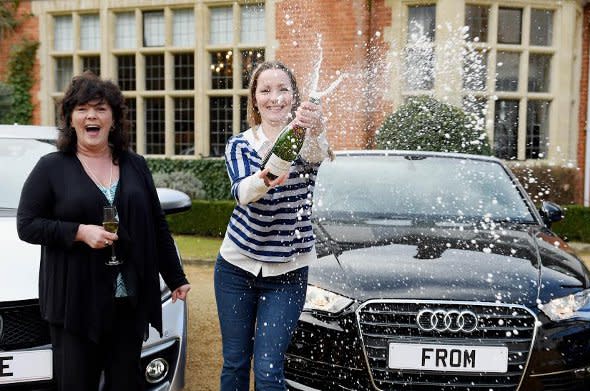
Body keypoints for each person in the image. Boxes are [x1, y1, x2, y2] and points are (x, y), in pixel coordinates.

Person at [16, 71, 191, 391]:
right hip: (76, 304)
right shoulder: (51, 168)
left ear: (113, 118)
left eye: (100, 108)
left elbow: (156, 224)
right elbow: (27, 225)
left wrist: (176, 277)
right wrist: (78, 232)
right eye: (82, 109)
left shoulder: (135, 164)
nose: (91, 116)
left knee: (126, 384)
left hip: (128, 304)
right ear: (70, 118)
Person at [215, 60, 331, 390]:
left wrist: (316, 128)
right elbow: (242, 193)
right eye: (265, 90)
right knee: (235, 362)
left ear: (294, 97)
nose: (274, 97)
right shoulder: (240, 144)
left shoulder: (305, 141)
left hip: (288, 272)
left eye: (283, 90)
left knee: (268, 371)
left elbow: (317, 155)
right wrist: (266, 176)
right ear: (255, 100)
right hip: (236, 269)